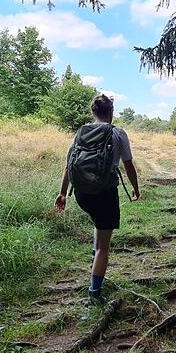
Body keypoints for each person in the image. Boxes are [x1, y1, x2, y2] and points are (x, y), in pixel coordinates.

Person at [55, 95, 140, 305]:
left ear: (93, 112)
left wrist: (63, 193)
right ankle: (95, 292)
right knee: (104, 246)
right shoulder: (118, 133)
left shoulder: (82, 132)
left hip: (82, 193)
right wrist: (135, 188)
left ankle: (95, 262)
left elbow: (69, 163)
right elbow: (128, 165)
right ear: (111, 112)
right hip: (104, 193)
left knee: (98, 225)